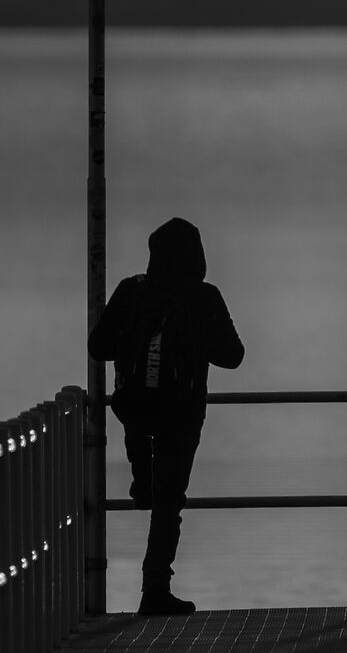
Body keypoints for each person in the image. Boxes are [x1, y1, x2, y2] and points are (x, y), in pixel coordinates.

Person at [88, 217, 244, 616]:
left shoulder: (131, 290)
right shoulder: (204, 296)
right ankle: (154, 587)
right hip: (181, 411)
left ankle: (141, 475)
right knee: (168, 503)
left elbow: (99, 346)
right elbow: (233, 356)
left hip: (133, 406)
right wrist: (191, 339)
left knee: (138, 417)